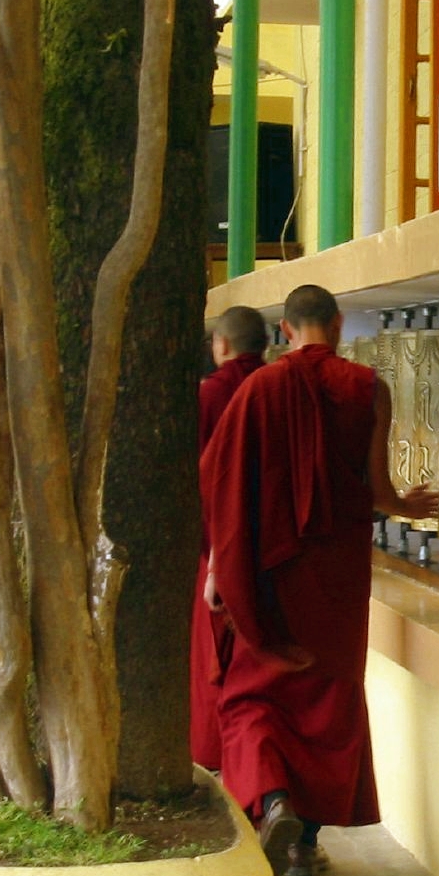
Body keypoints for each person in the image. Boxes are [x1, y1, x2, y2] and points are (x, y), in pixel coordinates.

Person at [200, 284, 439, 876]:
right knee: (327, 703)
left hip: (270, 575)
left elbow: (222, 483)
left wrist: (217, 568)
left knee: (254, 696)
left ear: (285, 329)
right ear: (336, 324)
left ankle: (273, 800)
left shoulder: (258, 389)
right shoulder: (369, 388)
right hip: (336, 576)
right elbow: (378, 488)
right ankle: (304, 844)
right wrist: (410, 508)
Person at [191, 306, 269, 771]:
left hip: (216, 548)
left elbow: (202, 480)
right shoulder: (279, 389)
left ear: (220, 344)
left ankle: (219, 760)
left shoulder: (209, 396)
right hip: (277, 549)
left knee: (216, 666)